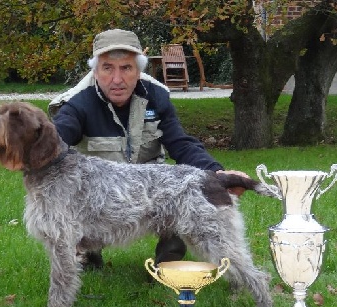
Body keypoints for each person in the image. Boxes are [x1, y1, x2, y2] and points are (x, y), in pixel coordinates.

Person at [48, 29, 249, 268]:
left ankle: (169, 256)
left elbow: (181, 144)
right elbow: (55, 142)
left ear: (139, 70)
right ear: (95, 71)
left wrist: (217, 173)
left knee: (179, 192)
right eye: (108, 68)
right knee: (81, 214)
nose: (117, 79)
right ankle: (87, 251)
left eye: (126, 68)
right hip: (100, 198)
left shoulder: (156, 98)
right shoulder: (78, 104)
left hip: (151, 192)